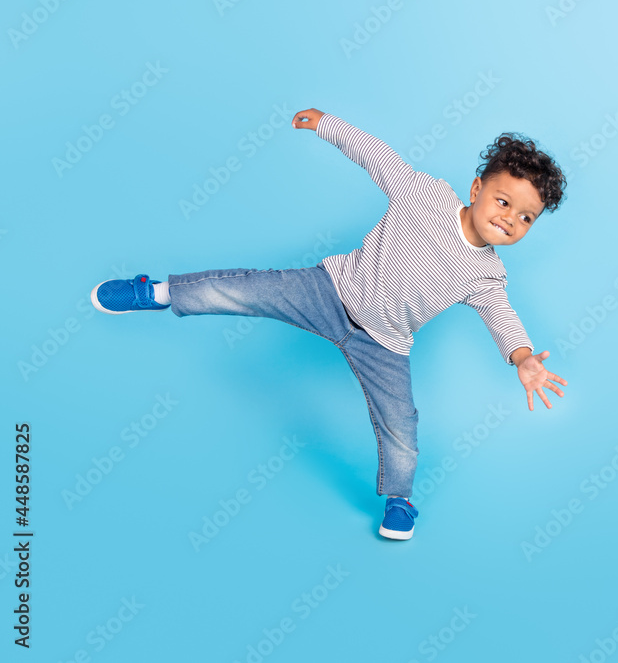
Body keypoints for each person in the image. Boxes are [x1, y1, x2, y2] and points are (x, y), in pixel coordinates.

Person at [90, 108, 568, 541]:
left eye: (526, 217)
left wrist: (523, 358)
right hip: (331, 292)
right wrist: (326, 124)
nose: (510, 220)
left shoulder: (488, 273)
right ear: (476, 189)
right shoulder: (427, 194)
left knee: (401, 424)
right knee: (247, 289)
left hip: (385, 344)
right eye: (504, 202)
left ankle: (398, 500)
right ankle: (160, 291)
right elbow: (377, 157)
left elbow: (502, 316)